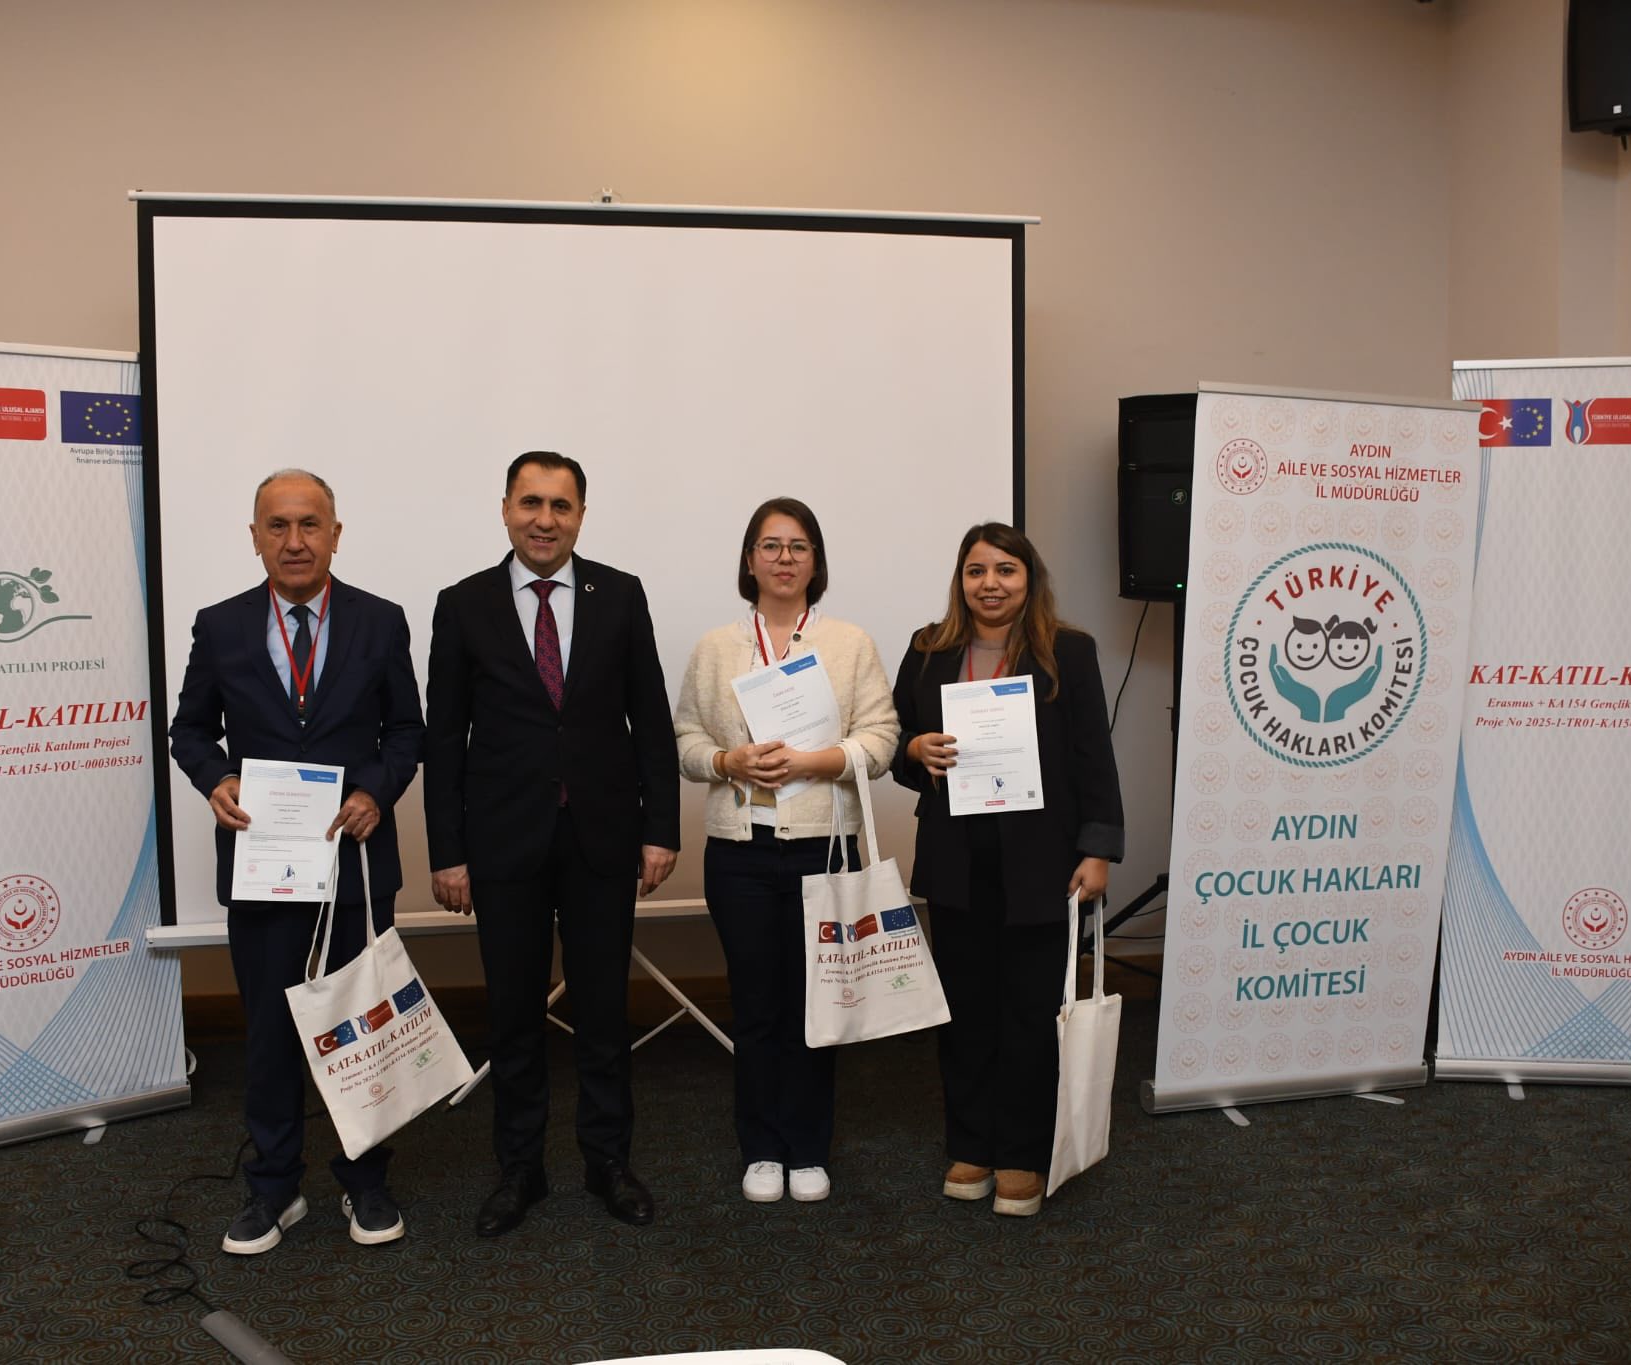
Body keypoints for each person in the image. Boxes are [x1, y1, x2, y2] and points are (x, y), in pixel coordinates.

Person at [423, 451, 680, 1237]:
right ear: (505, 508)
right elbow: (444, 739)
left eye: (560, 505)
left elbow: (651, 720)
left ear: (580, 515)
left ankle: (608, 1161)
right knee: (513, 1016)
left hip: (603, 837)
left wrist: (661, 828)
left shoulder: (620, 594)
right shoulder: (463, 604)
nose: (545, 519)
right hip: (504, 843)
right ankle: (519, 1169)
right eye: (530, 502)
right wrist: (447, 850)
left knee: (604, 1013)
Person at [168, 469, 425, 1254]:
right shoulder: (221, 625)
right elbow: (190, 730)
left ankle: (365, 1178)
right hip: (264, 866)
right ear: (255, 537)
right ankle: (275, 1188)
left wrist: (376, 790)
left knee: (361, 1028)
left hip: (354, 865)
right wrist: (216, 778)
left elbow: (407, 731)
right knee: (271, 1035)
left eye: (309, 524)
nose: (294, 540)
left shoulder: (380, 621)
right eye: (276, 525)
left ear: (335, 534)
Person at [891, 522, 1123, 1217]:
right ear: (960, 580)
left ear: (1029, 579)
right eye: (976, 571)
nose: (989, 584)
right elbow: (898, 740)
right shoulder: (928, 649)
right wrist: (916, 749)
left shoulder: (1069, 651)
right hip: (957, 857)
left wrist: (1098, 848)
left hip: (1043, 860)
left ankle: (1021, 1152)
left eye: (1005, 570)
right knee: (964, 1011)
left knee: (1029, 1010)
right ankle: (971, 1144)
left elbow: (1093, 754)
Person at [673, 498, 900, 1204]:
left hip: (821, 851)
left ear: (815, 561)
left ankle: (807, 1146)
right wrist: (728, 761)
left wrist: (815, 760)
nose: (783, 558)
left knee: (816, 1003)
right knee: (756, 1004)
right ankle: (762, 1147)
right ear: (749, 560)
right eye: (769, 546)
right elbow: (685, 740)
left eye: (798, 546)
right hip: (739, 853)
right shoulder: (716, 647)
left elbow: (882, 739)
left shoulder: (850, 643)